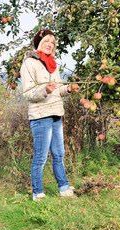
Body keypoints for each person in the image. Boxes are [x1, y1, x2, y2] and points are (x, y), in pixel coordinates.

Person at [20, 29, 79, 201]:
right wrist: (44, 89)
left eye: (52, 42)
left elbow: (58, 89)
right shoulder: (29, 63)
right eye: (46, 41)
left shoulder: (52, 64)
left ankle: (64, 187)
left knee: (59, 154)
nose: (49, 44)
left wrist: (67, 89)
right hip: (40, 115)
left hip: (55, 113)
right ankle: (38, 193)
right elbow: (28, 93)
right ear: (38, 43)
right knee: (40, 157)